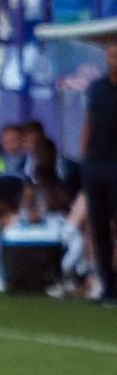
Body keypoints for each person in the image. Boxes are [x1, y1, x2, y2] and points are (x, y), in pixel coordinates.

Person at [81, 39, 117, 303]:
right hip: (97, 163)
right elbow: (89, 124)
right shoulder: (97, 88)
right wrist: (85, 159)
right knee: (99, 226)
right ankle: (107, 285)